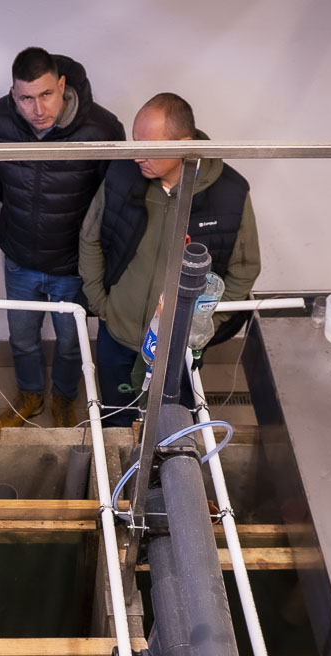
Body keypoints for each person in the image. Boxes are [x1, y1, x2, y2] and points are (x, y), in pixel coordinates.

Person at [78, 93, 261, 427]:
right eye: (135, 143)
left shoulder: (229, 194)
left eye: (148, 147)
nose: (137, 156)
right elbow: (90, 238)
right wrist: (101, 303)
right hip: (117, 334)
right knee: (116, 418)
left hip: (177, 348)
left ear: (184, 145)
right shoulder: (122, 174)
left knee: (172, 426)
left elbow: (244, 270)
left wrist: (202, 326)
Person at [0, 47, 124, 428]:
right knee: (22, 337)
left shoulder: (102, 128)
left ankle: (64, 397)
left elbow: (110, 195)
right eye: (26, 98)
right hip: (20, 256)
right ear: (13, 94)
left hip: (73, 264)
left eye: (46, 94)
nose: (38, 109)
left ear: (62, 85)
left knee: (71, 342)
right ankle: (31, 394)